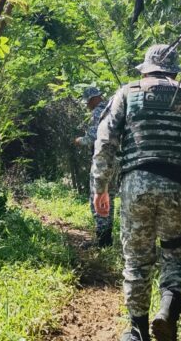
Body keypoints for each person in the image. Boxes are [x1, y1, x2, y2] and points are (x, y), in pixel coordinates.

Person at [91, 44, 181, 341]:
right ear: (174, 70)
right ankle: (167, 311)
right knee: (175, 257)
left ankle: (137, 331)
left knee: (137, 261)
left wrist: (100, 187)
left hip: (135, 186)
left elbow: (105, 141)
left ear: (146, 69)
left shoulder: (127, 93)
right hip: (180, 188)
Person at [75, 86, 116, 248]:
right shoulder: (113, 109)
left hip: (102, 161)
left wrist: (79, 140)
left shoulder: (99, 112)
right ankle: (106, 238)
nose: (87, 106)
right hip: (116, 161)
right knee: (109, 198)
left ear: (93, 99)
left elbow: (93, 137)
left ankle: (102, 239)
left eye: (87, 102)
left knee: (97, 197)